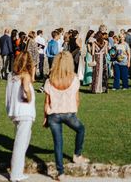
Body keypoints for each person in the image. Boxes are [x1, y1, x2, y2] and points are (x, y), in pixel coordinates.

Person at [43, 52, 89, 180]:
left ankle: (61, 173)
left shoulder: (50, 80)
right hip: (69, 113)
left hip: (53, 115)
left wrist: (45, 117)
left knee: (58, 143)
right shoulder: (74, 79)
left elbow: (47, 102)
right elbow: (77, 99)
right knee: (80, 129)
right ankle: (77, 155)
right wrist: (74, 112)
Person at [5, 51, 36, 182]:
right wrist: (28, 98)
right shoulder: (25, 75)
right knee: (20, 143)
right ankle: (16, 174)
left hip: (16, 111)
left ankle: (18, 168)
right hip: (25, 112)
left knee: (24, 140)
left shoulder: (12, 76)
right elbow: (26, 90)